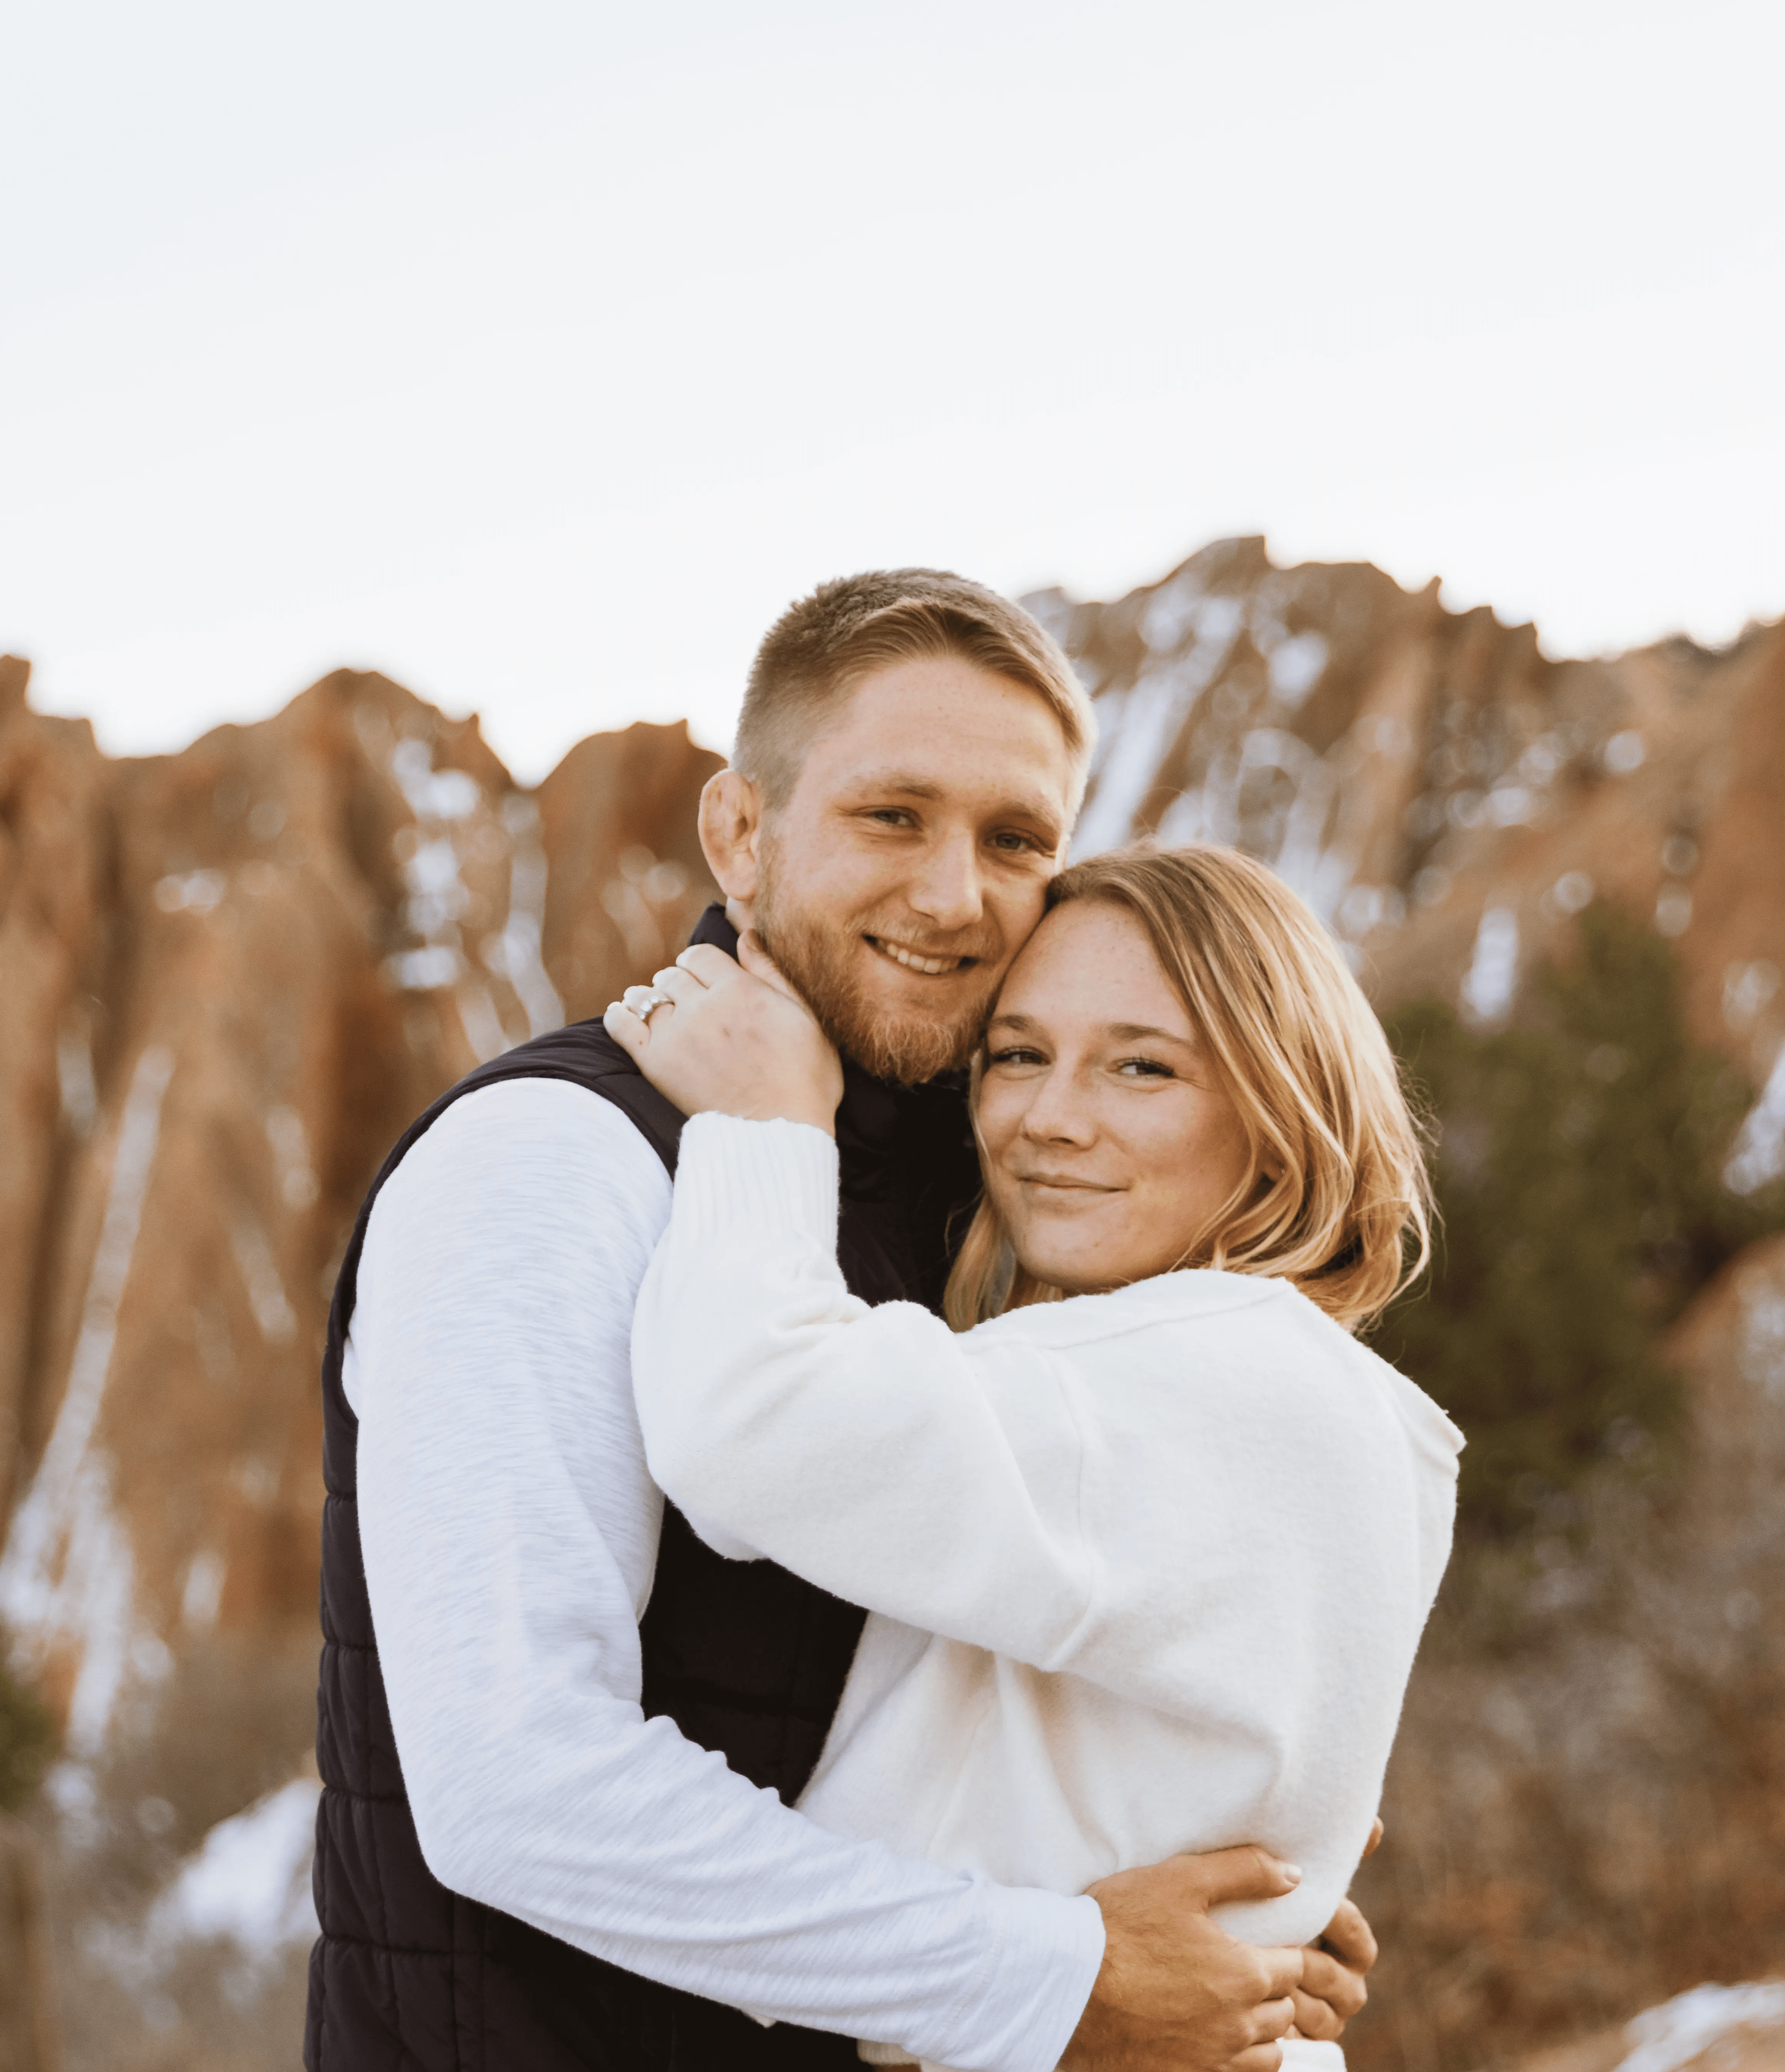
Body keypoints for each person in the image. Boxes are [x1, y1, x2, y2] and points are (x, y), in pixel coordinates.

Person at [307, 571, 1381, 2071]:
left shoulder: (993, 1173)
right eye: (893, 814)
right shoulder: (549, 1165)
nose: (954, 893)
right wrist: (1060, 1971)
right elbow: (517, 1782)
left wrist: (1232, 1876)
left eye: (1014, 838)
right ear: (739, 835)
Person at [609, 844, 1460, 2072]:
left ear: (1281, 1111)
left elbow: (744, 1421)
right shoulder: (1305, 1396)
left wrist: (769, 1122)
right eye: (1017, 1055)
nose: (1051, 1120)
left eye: (1142, 1066)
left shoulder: (1216, 1380)